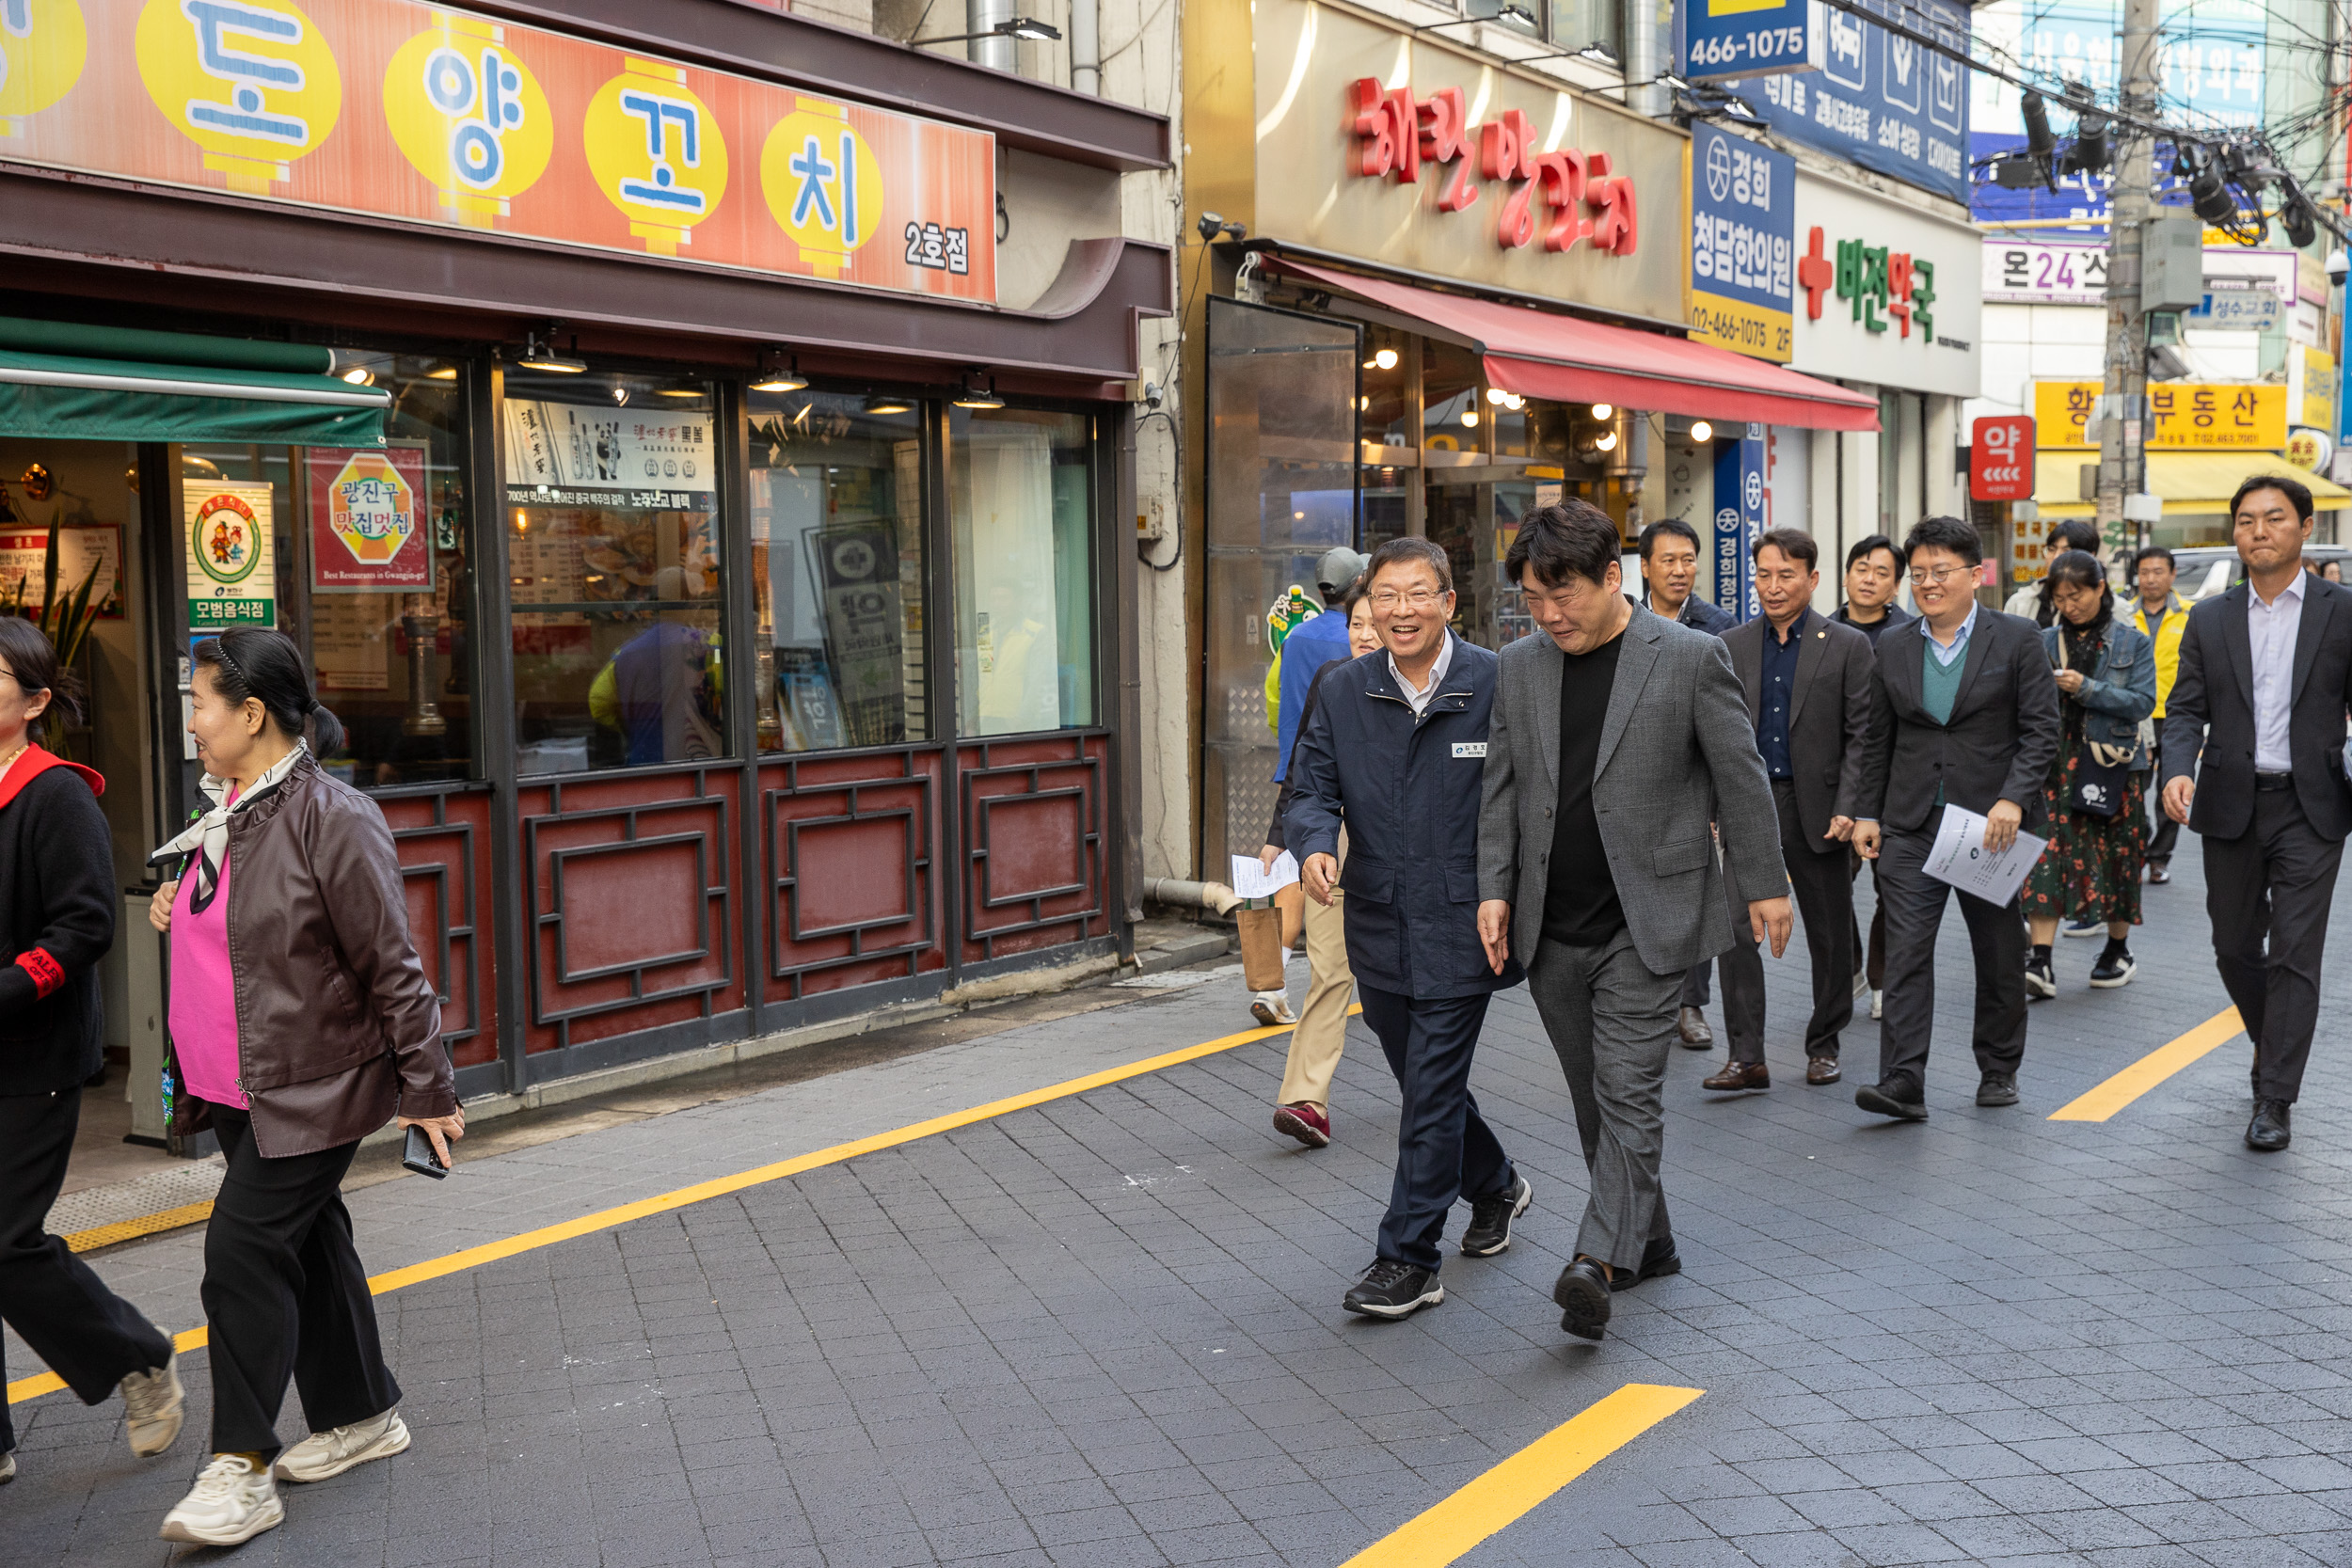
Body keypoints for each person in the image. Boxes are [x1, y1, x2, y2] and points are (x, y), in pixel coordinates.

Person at [144, 628, 465, 1546]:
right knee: (311, 1239)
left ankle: (238, 1467)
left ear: (251, 714)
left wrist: (428, 1088)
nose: (193, 722)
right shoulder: (229, 809)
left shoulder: (335, 816)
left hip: (310, 1084)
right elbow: (235, 929)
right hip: (233, 1084)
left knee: (240, 1254)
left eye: (202, 702)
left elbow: (393, 965)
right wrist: (177, 904)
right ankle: (364, 1412)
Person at [1475, 501, 1790, 1341]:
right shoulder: (1520, 666)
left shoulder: (1690, 656)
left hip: (1652, 920)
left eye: (1563, 594)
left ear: (1614, 577)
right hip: (1552, 922)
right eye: (1534, 601)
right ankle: (1648, 1240)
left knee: (1629, 1091)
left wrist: (1766, 882)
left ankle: (1595, 1260)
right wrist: (1493, 888)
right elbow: (1503, 787)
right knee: (1592, 1100)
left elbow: (1740, 773)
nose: (1549, 615)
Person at [1286, 539, 1530, 1321]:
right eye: (1385, 597)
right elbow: (1310, 786)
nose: (1401, 611)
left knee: (1428, 1087)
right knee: (1424, 1081)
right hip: (1380, 919)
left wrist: (1510, 889)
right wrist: (1317, 845)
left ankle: (1409, 1257)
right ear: (1367, 605)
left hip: (1470, 920)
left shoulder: (1497, 681)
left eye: (1417, 594)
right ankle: (1495, 1182)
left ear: (1449, 603)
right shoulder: (1344, 688)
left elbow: (1531, 796)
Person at [0, 620, 185, 1487]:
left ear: (34, 702)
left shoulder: (55, 795)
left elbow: (86, 927)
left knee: (5, 1242)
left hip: (30, 1058)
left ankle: (138, 1358)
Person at [2160, 475, 2352, 1153]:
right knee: (2234, 945)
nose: (2259, 530)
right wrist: (2176, 767)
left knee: (2296, 953)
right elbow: (2184, 708)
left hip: (2313, 804)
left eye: (2274, 518)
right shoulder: (2211, 617)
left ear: (2304, 525)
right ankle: (2271, 1042)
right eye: (2246, 520)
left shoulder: (2342, 610)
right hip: (2231, 802)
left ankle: (2275, 1096)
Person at [1852, 516, 2061, 1120]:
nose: (1926, 584)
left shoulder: (2019, 638)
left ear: (1976, 574)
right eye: (1917, 574)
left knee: (1996, 951)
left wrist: (2014, 797)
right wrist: (1867, 813)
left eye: (1939, 572)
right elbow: (1877, 738)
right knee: (1908, 949)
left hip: (1986, 827)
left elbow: (2042, 730)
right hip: (1912, 823)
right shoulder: (1893, 643)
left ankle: (1998, 1068)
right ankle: (1902, 1080)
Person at [1708, 530, 1876, 1090]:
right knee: (1735, 926)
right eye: (1763, 574)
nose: (1773, 586)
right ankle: (1746, 1056)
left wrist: (1851, 805)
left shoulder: (1848, 644)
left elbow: (1862, 736)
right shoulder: (1731, 644)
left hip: (1821, 809)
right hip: (1750, 805)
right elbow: (1717, 735)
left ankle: (1824, 1043)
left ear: (1812, 579)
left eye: (1786, 575)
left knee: (1829, 933)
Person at [1259, 581, 1379, 1147]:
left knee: (1404, 983)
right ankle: (1306, 1100)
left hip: (1410, 851)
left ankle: (1439, 1091)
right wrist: (1280, 836)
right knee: (1331, 971)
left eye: (1373, 623)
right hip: (1334, 844)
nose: (1365, 634)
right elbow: (1305, 768)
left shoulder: (1440, 686)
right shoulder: (1331, 681)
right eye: (1356, 623)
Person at [1243, 546, 1370, 1026]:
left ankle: (1273, 983)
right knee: (1330, 881)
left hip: (1296, 767)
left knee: (1294, 877)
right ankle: (1343, 973)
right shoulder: (1359, 641)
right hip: (1337, 780)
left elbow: (1275, 697)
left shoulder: (1294, 638)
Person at [2022, 550, 2156, 996]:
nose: (2068, 605)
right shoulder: (2041, 641)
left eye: (2076, 595)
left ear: (2101, 588)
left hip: (2112, 766)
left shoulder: (2131, 642)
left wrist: (2087, 688)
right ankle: (2040, 960)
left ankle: (2117, 949)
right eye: (2059, 598)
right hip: (2054, 767)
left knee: (2118, 856)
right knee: (2046, 857)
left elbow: (2143, 703)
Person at [1631, 519, 1734, 1046]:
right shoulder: (1622, 621)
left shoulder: (1718, 626)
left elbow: (1733, 728)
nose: (1680, 570)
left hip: (1695, 782)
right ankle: (1645, 999)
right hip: (1634, 781)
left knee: (1694, 893)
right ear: (1643, 566)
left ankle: (1691, 1005)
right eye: (1668, 560)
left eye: (1688, 559)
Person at [1832, 534, 1915, 1022]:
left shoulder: (1910, 633)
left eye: (1882, 572)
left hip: (1896, 784)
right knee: (1833, 886)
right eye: (1861, 568)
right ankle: (1854, 966)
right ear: (1846, 575)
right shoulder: (1823, 630)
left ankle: (1882, 977)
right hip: (1838, 783)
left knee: (1893, 887)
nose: (1869, 578)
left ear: (1896, 585)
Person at [2130, 546, 2188, 885]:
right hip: (2135, 715)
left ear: (2172, 574)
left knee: (2171, 788)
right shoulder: (2123, 614)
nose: (2151, 578)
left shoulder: (2190, 615)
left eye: (2158, 571)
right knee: (2135, 790)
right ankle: (2138, 850)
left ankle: (2159, 858)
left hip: (2175, 716)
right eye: (2145, 571)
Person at [2001, 518, 2103, 626]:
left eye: (2066, 551)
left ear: (2090, 556)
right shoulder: (2020, 602)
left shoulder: (2113, 607)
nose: (2056, 557)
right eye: (2051, 549)